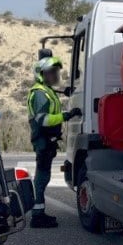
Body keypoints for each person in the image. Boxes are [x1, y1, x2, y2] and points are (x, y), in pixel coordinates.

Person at [26, 56, 82, 228]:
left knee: (43, 177)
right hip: (43, 141)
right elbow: (43, 120)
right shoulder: (41, 94)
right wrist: (67, 115)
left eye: (56, 72)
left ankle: (39, 213)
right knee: (42, 179)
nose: (55, 75)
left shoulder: (46, 91)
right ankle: (37, 216)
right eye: (51, 72)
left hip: (47, 141)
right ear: (41, 74)